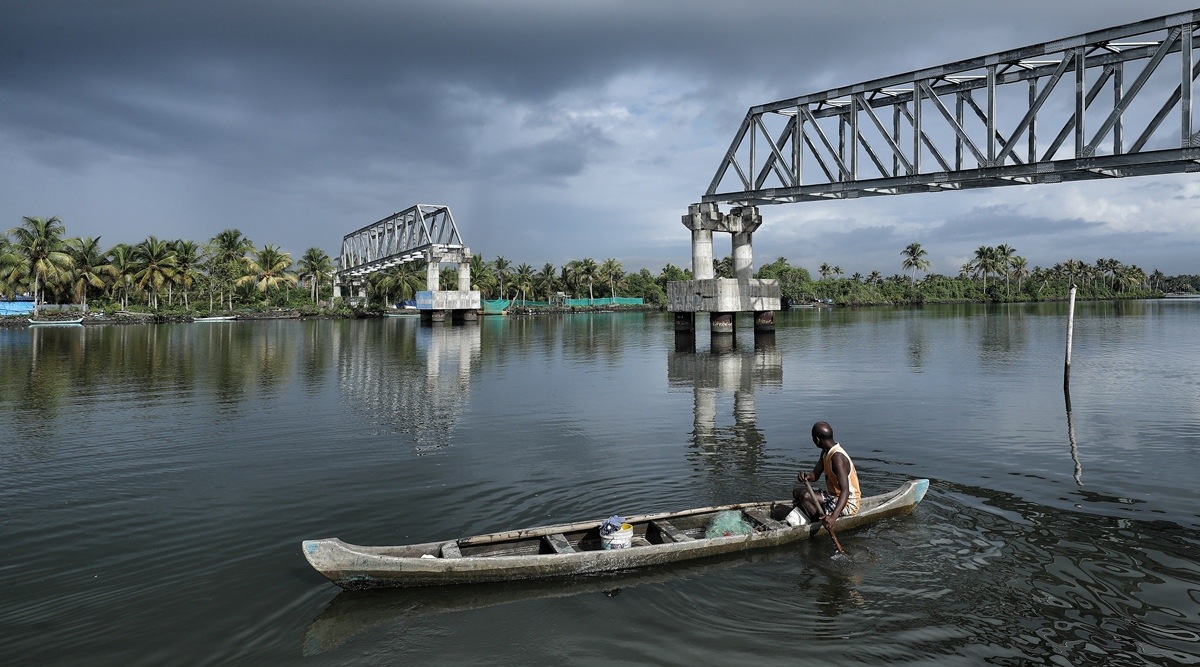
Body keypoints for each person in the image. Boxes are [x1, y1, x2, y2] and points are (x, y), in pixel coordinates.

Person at [788, 421, 861, 533]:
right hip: (834, 496)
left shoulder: (837, 458)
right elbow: (815, 475)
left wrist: (833, 517)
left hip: (848, 503)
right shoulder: (825, 452)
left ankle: (818, 521)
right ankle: (818, 513)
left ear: (817, 439)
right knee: (797, 492)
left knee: (804, 496)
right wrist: (806, 476)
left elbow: (845, 491)